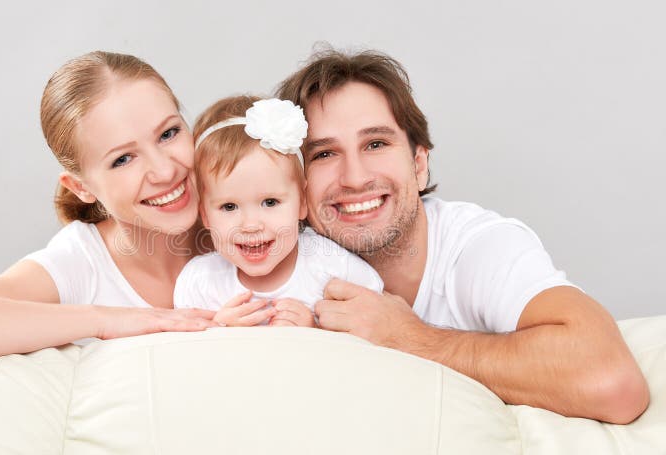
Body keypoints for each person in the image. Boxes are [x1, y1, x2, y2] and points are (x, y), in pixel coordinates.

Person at [275, 49, 650, 424]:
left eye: (376, 144)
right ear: (295, 184)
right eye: (324, 153)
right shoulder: (276, 256)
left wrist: (408, 337)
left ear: (419, 165)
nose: (355, 177)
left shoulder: (479, 246)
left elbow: (613, 382)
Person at [0, 51, 216, 363]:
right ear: (81, 187)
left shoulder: (246, 214)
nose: (165, 171)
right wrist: (105, 320)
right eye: (123, 159)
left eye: (168, 133)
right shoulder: (84, 265)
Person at [172, 95, 383, 327]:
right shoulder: (201, 282)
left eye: (270, 202)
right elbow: (188, 355)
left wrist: (316, 328)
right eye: (229, 207)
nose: (251, 225)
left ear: (302, 201)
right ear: (205, 214)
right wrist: (219, 329)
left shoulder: (330, 265)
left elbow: (375, 327)